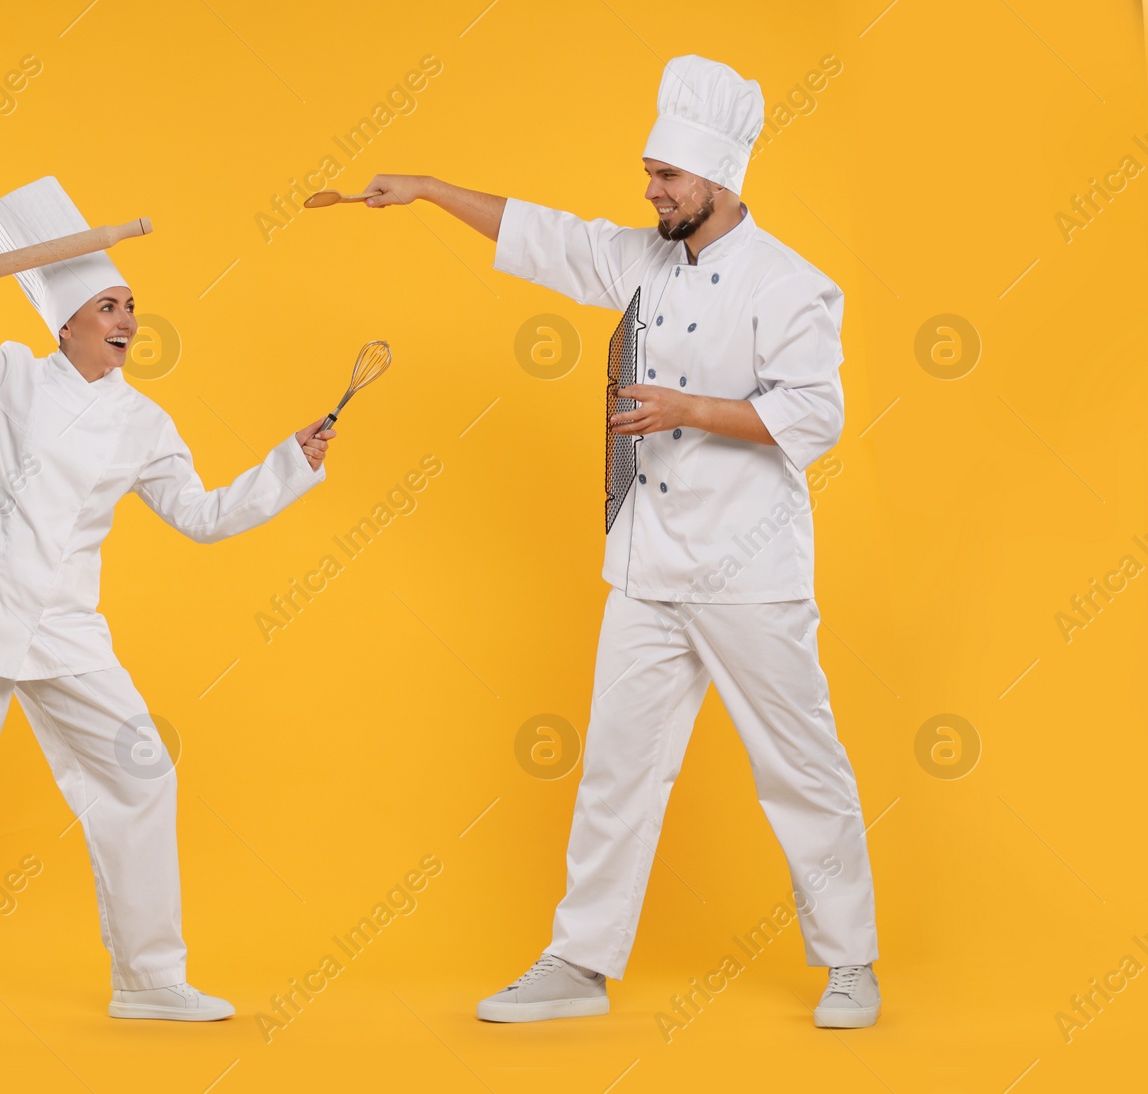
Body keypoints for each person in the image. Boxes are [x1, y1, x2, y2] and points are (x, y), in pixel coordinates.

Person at [358, 55, 880, 1028]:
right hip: (645, 562)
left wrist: (691, 408)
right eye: (648, 171)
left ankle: (849, 959)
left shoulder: (793, 285)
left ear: (719, 180)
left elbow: (815, 417)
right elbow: (543, 234)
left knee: (798, 763)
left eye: (665, 178)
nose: (649, 190)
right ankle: (577, 962)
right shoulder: (644, 256)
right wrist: (430, 189)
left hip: (749, 567)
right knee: (615, 765)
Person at [0, 176, 335, 1026]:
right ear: (66, 322)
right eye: (109, 306)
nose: (127, 322)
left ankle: (150, 982)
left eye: (131, 306)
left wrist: (288, 464)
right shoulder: (8, 376)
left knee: (142, 774)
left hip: (66, 629)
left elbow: (202, 516)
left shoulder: (144, 422)